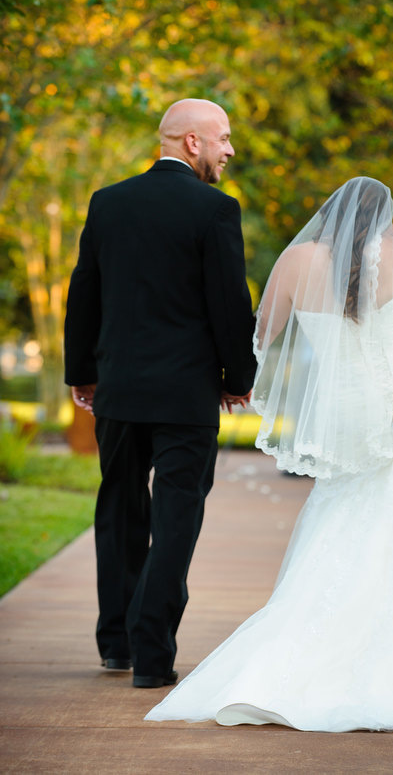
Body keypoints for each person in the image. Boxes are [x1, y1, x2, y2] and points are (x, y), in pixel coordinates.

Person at [145, 101, 393, 730]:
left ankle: (316, 647)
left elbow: (257, 338)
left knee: (347, 513)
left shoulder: (297, 263)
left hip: (349, 408)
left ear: (329, 217)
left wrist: (225, 382)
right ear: (381, 219)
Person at [64, 98, 256, 688]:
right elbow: (229, 304)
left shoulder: (108, 203)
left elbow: (84, 293)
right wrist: (237, 379)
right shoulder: (217, 210)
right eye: (222, 138)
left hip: (119, 391)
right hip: (185, 398)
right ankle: (152, 656)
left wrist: (82, 373)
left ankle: (115, 644)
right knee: (176, 519)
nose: (229, 150)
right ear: (192, 143)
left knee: (120, 510)